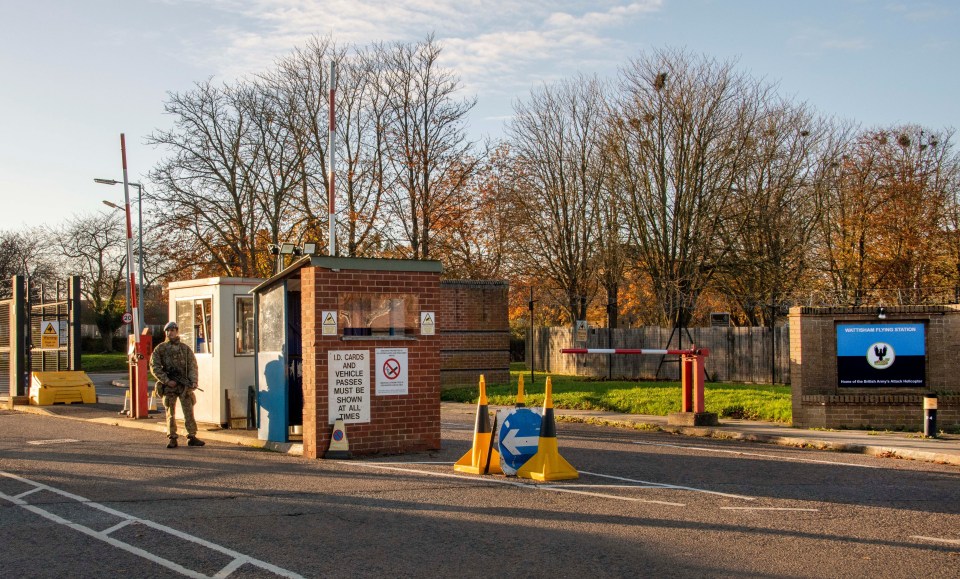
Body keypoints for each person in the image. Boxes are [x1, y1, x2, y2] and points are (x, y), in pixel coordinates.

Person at [150, 321, 205, 449]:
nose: (171, 333)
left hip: (183, 385)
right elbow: (155, 367)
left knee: (188, 411)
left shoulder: (185, 348)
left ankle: (191, 436)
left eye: (173, 331)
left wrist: (193, 381)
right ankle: (172, 437)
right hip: (169, 386)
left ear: (177, 332)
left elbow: (192, 366)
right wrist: (166, 380)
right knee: (170, 412)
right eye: (168, 331)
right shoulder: (160, 349)